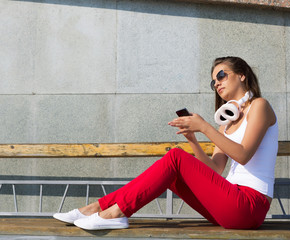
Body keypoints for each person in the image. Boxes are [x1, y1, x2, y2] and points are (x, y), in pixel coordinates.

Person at [53, 56, 278, 230]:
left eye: (221, 75)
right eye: (213, 81)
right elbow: (216, 170)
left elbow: (244, 155)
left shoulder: (260, 106)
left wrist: (204, 127)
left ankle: (114, 213)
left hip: (250, 206)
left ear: (242, 75)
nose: (217, 83)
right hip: (230, 203)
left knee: (175, 157)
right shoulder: (226, 124)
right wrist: (194, 140)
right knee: (175, 172)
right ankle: (99, 208)